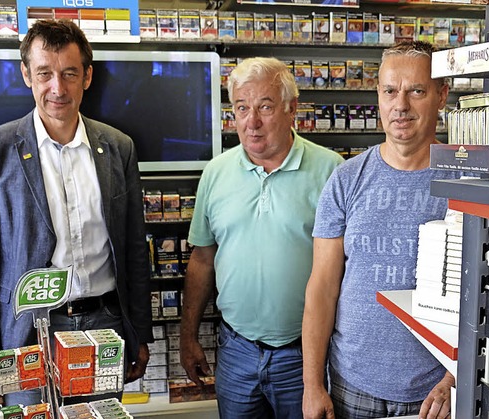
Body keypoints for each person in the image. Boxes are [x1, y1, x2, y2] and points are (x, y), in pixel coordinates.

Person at [0, 19, 152, 411]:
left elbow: (133, 249)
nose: (57, 89)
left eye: (69, 73)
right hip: (28, 335)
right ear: (27, 74)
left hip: (104, 328)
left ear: (88, 77)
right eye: (44, 73)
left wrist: (140, 334)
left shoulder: (119, 147)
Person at [180, 57, 344, 418]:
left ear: (291, 109)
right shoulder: (216, 173)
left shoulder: (332, 170)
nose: (251, 122)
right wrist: (188, 337)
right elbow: (202, 259)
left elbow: (346, 270)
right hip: (236, 351)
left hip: (305, 356)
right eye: (242, 108)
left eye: (265, 107)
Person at [302, 40, 457, 419]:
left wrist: (456, 379)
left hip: (432, 392)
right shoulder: (346, 179)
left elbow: (485, 292)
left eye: (416, 91)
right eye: (390, 91)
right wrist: (312, 385)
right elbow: (322, 287)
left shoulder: (466, 179)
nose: (400, 105)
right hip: (351, 384)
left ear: (441, 95)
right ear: (378, 95)